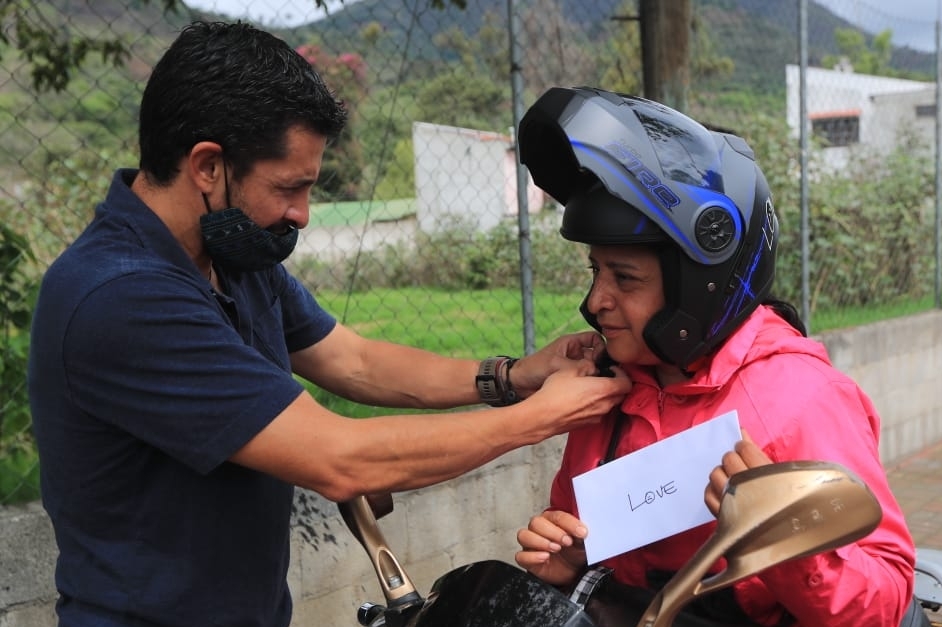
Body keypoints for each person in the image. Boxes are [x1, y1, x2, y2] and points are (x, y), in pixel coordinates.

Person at [26, 23, 631, 627]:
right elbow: (340, 459)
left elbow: (353, 360)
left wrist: (516, 377)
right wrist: (542, 417)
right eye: (289, 187)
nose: (303, 215)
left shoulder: (232, 253)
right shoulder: (122, 295)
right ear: (208, 166)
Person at [512, 86, 915, 627]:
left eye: (624, 278)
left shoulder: (801, 401)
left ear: (698, 285)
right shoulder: (606, 388)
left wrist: (788, 542)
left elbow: (886, 599)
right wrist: (570, 560)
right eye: (595, 271)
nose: (595, 302)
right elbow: (586, 540)